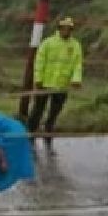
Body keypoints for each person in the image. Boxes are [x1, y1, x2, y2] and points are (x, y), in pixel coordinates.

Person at [28, 17, 84, 148]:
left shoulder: (75, 45)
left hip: (62, 84)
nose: (66, 31)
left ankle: (48, 130)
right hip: (45, 83)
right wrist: (38, 79)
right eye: (64, 28)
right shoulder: (48, 43)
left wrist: (76, 79)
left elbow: (77, 64)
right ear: (59, 28)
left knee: (55, 110)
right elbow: (39, 62)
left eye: (69, 29)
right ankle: (30, 133)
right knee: (37, 109)